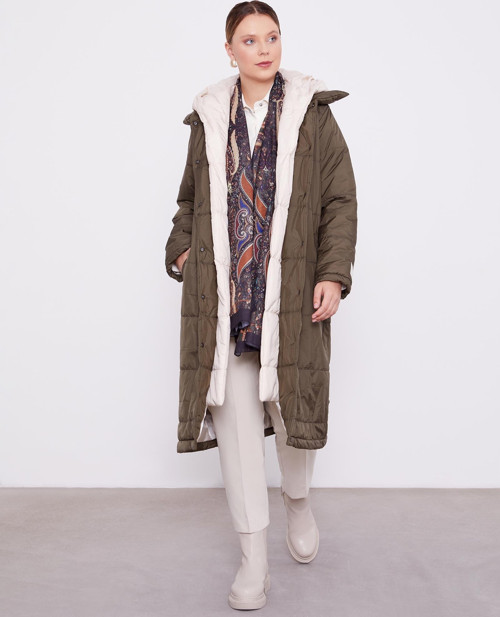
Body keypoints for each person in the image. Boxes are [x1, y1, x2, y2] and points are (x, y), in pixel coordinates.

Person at [164, 1, 357, 610]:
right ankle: (253, 559)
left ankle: (297, 501)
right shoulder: (207, 118)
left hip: (290, 295)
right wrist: (181, 251)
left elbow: (339, 200)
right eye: (249, 40)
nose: (264, 49)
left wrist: (333, 274)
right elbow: (189, 202)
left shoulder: (312, 113)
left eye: (272, 37)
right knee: (238, 433)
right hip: (223, 301)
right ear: (229, 50)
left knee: (292, 417)